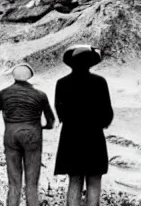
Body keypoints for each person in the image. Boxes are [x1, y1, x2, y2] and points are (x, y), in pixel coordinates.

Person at [54, 44, 114, 206]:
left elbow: (60, 112)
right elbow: (107, 114)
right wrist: (99, 123)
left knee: (74, 180)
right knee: (94, 181)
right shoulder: (99, 82)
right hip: (94, 136)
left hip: (71, 136)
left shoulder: (62, 83)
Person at [0, 63, 55, 206]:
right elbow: (51, 120)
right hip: (32, 135)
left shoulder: (3, 93)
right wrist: (45, 127)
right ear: (30, 76)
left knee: (14, 184)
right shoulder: (40, 95)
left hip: (11, 135)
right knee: (32, 185)